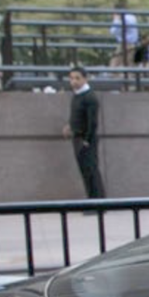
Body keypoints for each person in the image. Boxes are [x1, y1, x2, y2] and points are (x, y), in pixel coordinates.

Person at [63, 66, 106, 200]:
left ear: (85, 79)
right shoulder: (77, 95)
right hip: (77, 137)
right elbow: (77, 115)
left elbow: (92, 122)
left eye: (77, 78)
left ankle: (98, 201)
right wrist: (70, 126)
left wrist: (87, 140)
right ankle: (92, 200)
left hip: (85, 139)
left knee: (91, 171)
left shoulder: (89, 97)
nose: (74, 82)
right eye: (71, 78)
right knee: (85, 172)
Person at [110, 0, 139, 66]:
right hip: (131, 44)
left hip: (124, 44)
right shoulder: (132, 17)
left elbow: (113, 31)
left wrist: (116, 19)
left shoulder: (121, 19)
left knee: (114, 65)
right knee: (128, 64)